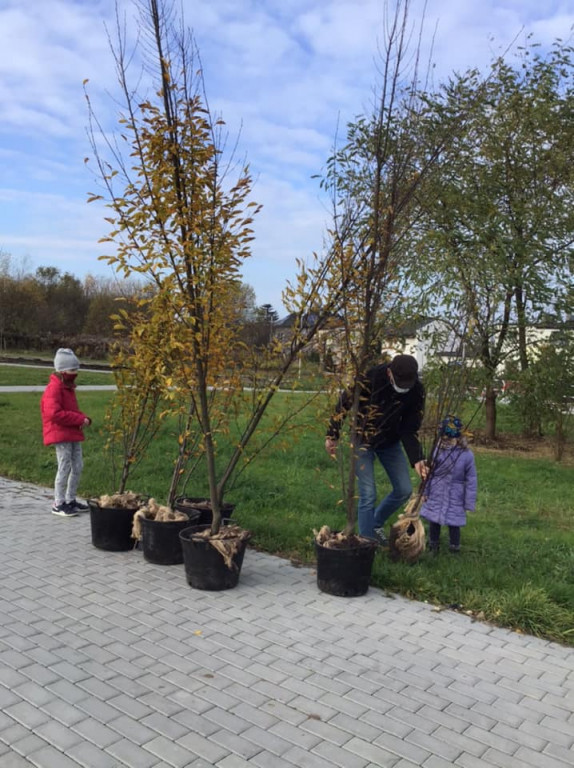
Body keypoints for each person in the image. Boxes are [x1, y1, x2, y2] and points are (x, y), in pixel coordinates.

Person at [325, 354, 427, 544]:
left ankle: (375, 523)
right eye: (400, 383)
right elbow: (345, 402)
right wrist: (333, 434)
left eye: (408, 384)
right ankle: (366, 543)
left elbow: (409, 428)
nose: (404, 387)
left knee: (404, 489)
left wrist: (417, 459)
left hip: (390, 442)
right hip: (362, 440)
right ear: (390, 372)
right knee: (368, 493)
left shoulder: (416, 391)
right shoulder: (371, 377)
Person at [41, 348, 92, 517]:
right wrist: (78, 420)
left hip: (71, 432)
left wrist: (83, 418)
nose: (75, 373)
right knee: (65, 466)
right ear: (62, 370)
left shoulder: (68, 387)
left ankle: (71, 499)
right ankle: (59, 502)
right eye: (72, 370)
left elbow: (72, 410)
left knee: (78, 465)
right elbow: (53, 414)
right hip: (60, 434)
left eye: (76, 370)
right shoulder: (54, 389)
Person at [420, 415, 477, 554]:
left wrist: (469, 501)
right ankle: (433, 544)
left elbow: (471, 479)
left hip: (455, 493)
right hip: (436, 490)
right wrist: (425, 492)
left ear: (457, 437)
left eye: (449, 438)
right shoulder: (436, 450)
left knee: (454, 521)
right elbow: (429, 474)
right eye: (443, 437)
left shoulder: (466, 455)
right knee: (434, 518)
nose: (445, 441)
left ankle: (454, 546)